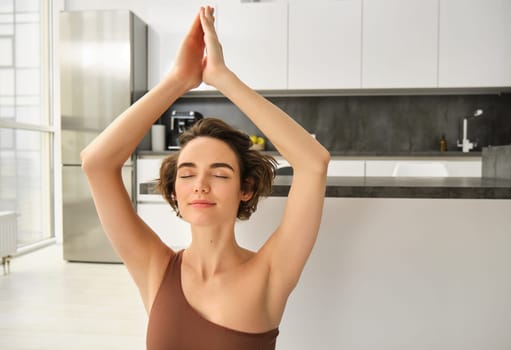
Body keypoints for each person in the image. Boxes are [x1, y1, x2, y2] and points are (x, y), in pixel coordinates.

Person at [80, 6, 329, 350]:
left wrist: (222, 78)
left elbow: (313, 161)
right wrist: (177, 80)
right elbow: (96, 163)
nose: (200, 184)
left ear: (246, 189)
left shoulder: (271, 271)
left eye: (220, 173)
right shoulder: (155, 267)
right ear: (175, 190)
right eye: (187, 173)